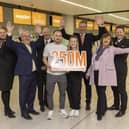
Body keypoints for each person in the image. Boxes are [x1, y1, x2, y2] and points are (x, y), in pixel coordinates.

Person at [60, 16, 107, 110]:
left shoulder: (90, 36)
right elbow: (65, 35)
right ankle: (77, 102)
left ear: (86, 27)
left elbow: (101, 35)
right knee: (77, 85)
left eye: (84, 26)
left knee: (88, 85)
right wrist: (62, 27)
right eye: (80, 26)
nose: (82, 28)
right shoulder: (75, 35)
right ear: (78, 27)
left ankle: (88, 102)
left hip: (87, 65)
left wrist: (101, 25)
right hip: (76, 65)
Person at [86, 33, 129, 120]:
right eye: (104, 38)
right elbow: (93, 62)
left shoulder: (112, 49)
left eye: (108, 39)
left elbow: (125, 50)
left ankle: (100, 112)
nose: (106, 40)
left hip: (104, 74)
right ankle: (104, 107)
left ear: (110, 41)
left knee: (101, 92)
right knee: (99, 92)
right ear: (101, 39)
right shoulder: (97, 48)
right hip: (96, 73)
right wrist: (88, 73)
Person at [6, 22, 43, 120]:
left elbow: (40, 42)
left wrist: (40, 33)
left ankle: (30, 108)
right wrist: (9, 32)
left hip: (34, 73)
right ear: (21, 37)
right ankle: (24, 111)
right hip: (24, 74)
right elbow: (8, 44)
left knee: (32, 92)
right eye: (24, 36)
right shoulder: (18, 46)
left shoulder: (33, 44)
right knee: (23, 93)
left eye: (28, 36)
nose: (27, 37)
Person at [43, 30, 68, 120]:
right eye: (56, 35)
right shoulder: (48, 46)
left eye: (60, 36)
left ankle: (62, 108)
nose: (58, 37)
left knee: (62, 93)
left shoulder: (65, 47)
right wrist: (47, 65)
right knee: (49, 93)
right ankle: (50, 109)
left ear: (61, 37)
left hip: (62, 74)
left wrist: (67, 67)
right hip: (51, 74)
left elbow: (67, 60)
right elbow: (44, 58)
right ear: (53, 37)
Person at [108, 25, 129, 117]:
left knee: (121, 89)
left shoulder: (127, 41)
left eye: (121, 32)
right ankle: (116, 105)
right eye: (117, 32)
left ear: (124, 33)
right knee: (114, 88)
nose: (119, 33)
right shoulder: (112, 40)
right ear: (115, 33)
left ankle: (123, 109)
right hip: (112, 68)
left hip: (121, 68)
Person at [0, 26, 17, 118]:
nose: (2, 34)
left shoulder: (10, 42)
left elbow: (13, 50)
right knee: (5, 90)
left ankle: (7, 109)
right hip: (2, 72)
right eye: (0, 32)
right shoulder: (1, 43)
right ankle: (7, 110)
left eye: (3, 32)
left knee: (7, 90)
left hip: (10, 71)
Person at [36, 27, 53, 111]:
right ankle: (41, 103)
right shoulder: (39, 42)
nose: (46, 34)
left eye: (47, 32)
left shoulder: (54, 43)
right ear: (43, 33)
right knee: (40, 87)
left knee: (48, 87)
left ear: (50, 33)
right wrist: (40, 36)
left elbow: (55, 57)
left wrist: (47, 66)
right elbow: (37, 47)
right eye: (44, 32)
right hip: (39, 69)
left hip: (50, 69)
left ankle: (46, 101)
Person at [66, 36, 82, 117]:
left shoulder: (81, 52)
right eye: (71, 41)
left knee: (76, 91)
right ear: (69, 43)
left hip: (77, 75)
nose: (73, 43)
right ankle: (72, 107)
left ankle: (77, 108)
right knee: (69, 91)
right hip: (68, 74)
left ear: (77, 43)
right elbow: (63, 63)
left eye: (75, 41)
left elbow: (83, 64)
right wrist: (65, 69)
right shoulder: (66, 52)